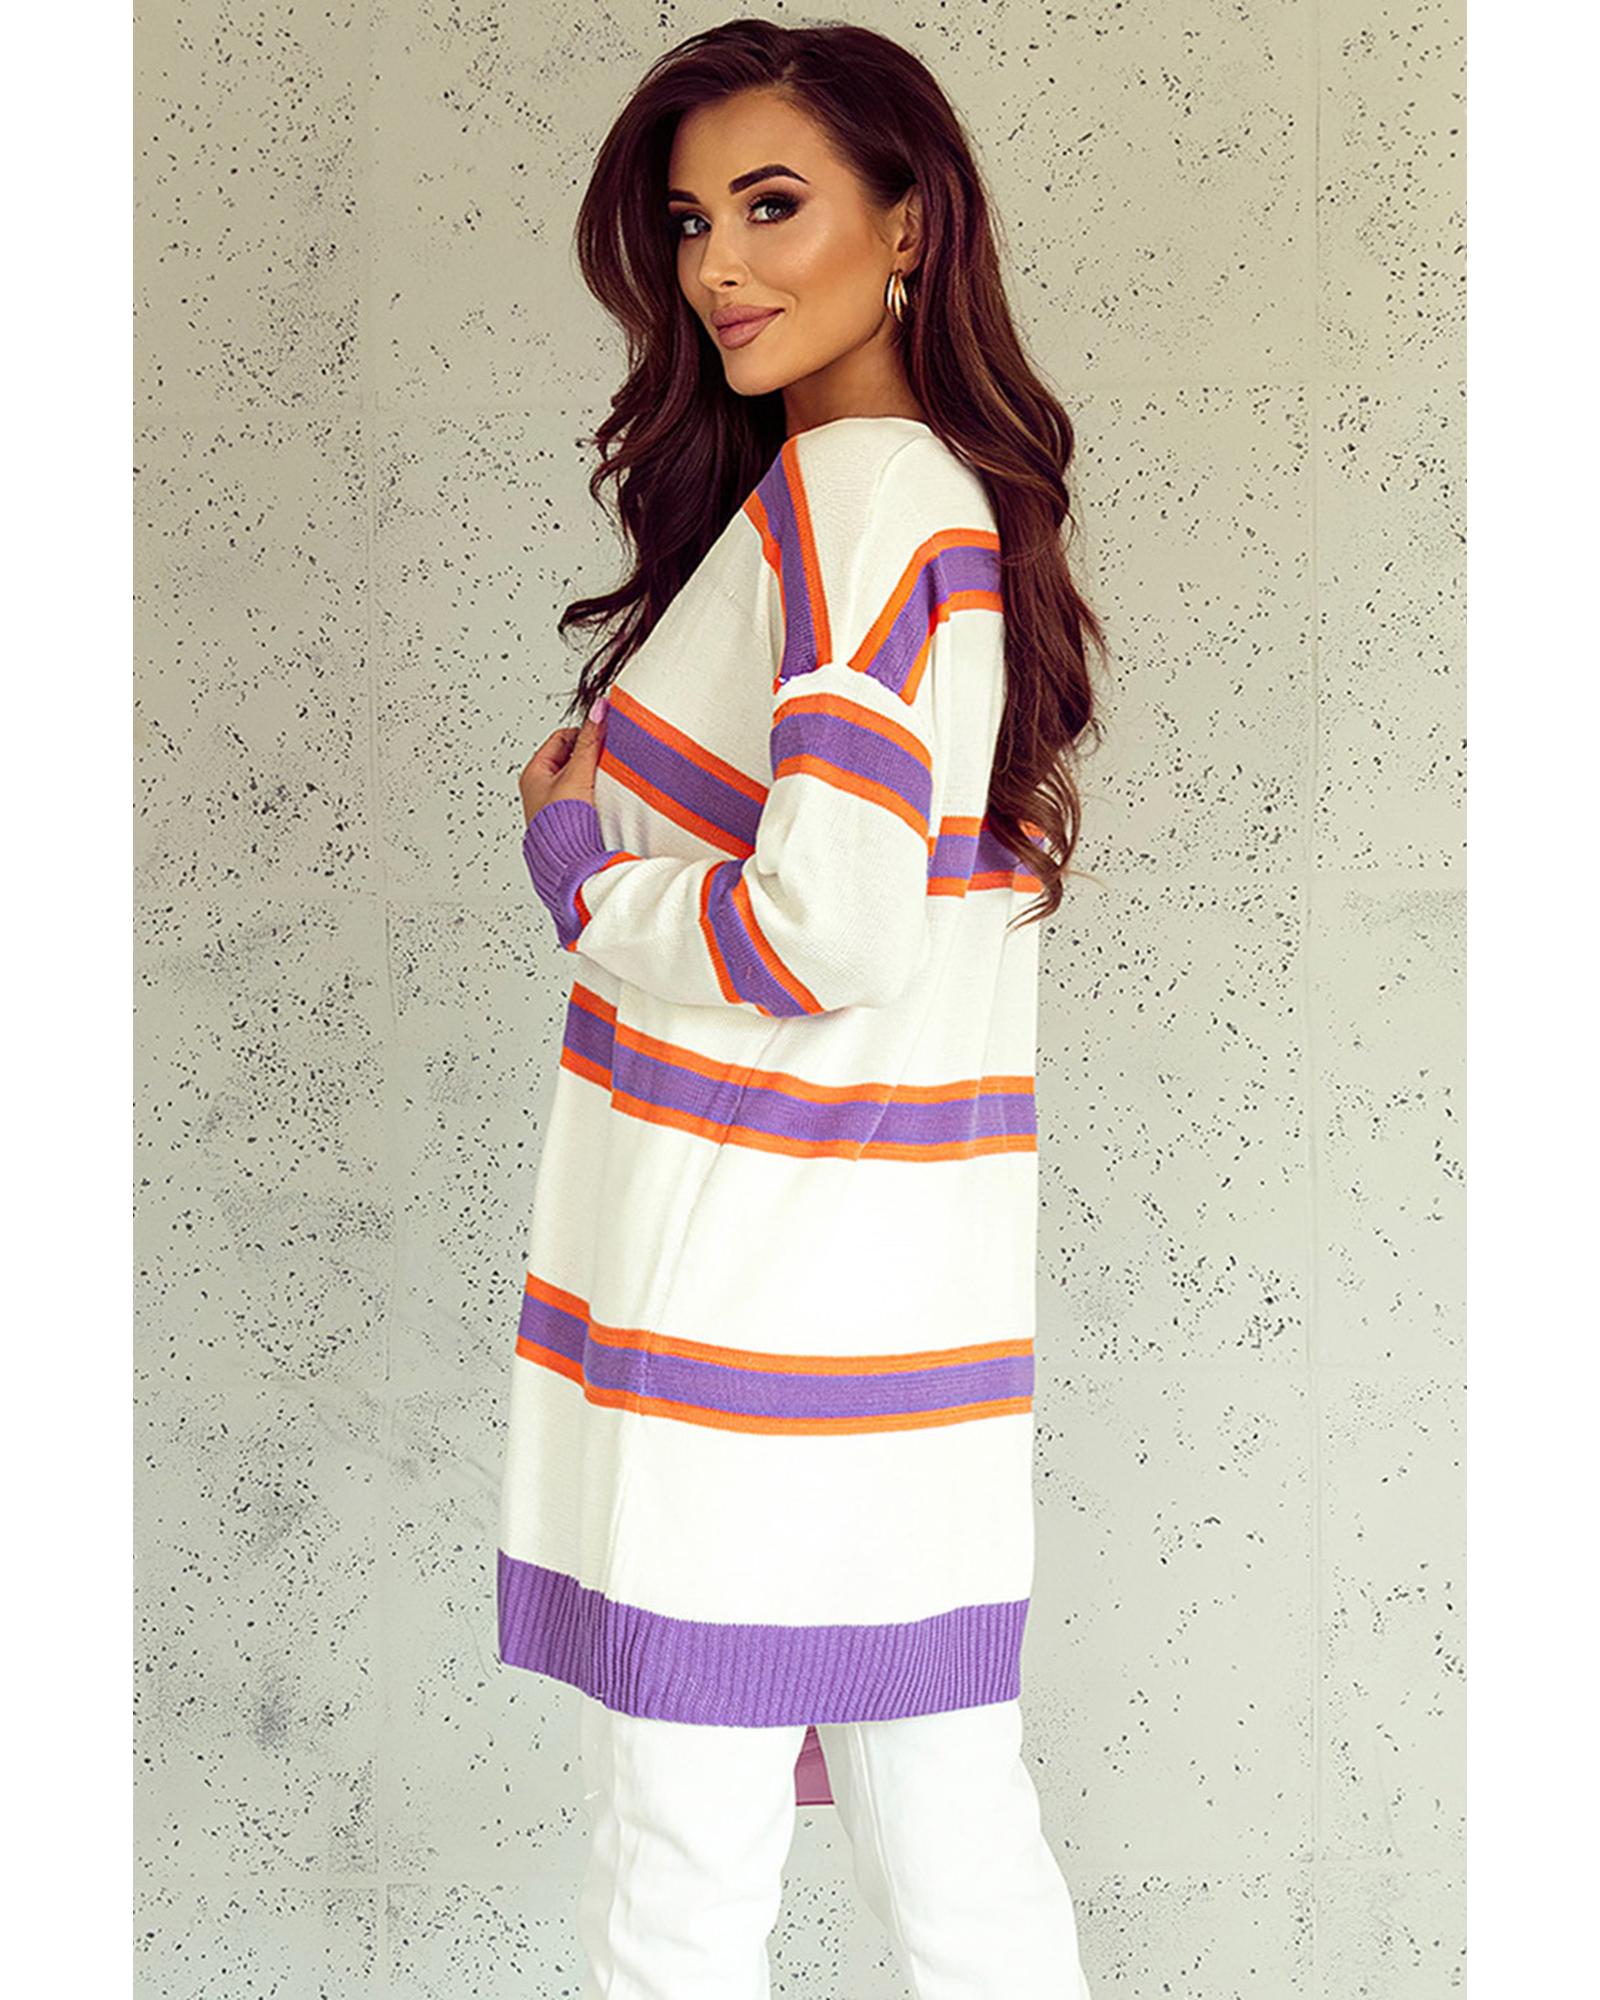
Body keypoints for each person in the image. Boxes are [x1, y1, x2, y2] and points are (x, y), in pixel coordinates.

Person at [497, 18, 1108, 1997]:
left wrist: (582, 873)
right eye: (691, 223)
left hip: (746, 1311)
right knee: (960, 1872)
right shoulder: (928, 503)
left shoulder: (855, 495)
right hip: (897, 1329)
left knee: (680, 1882)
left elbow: (827, 931)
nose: (720, 268)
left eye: (775, 207)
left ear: (906, 225)